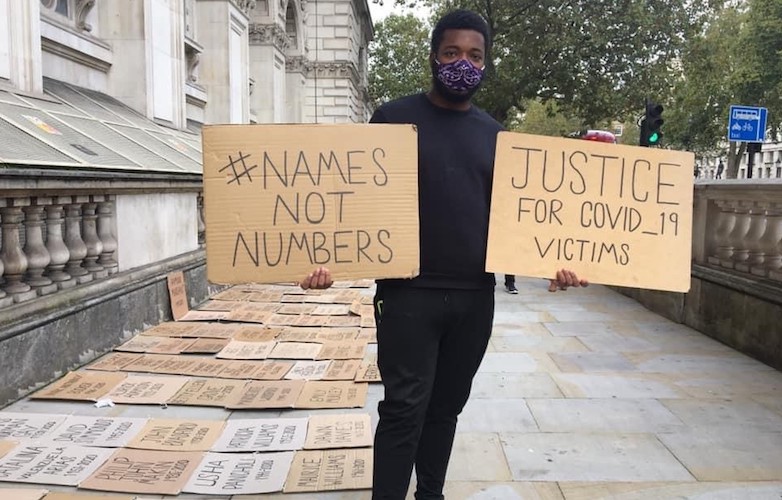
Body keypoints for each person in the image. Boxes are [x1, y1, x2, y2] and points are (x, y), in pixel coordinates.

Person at [300, 10, 587, 500]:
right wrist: (324, 257)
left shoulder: (498, 137)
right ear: (434, 56)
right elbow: (352, 202)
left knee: (447, 408)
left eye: (475, 56)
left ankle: (431, 493)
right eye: (452, 52)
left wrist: (553, 263)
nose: (463, 63)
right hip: (408, 295)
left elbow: (516, 219)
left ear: (486, 63)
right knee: (403, 409)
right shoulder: (391, 119)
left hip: (475, 298)